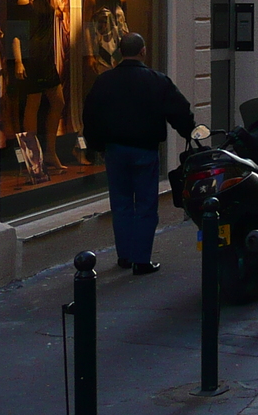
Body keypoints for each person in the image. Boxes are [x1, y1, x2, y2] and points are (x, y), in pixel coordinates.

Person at [81, 33, 194, 274]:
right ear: (143, 51)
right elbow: (180, 110)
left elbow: (90, 115)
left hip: (115, 150)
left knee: (121, 204)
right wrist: (189, 132)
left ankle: (125, 256)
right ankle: (141, 259)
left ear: (120, 52)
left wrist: (96, 145)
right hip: (145, 149)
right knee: (145, 205)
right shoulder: (157, 81)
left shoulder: (104, 81)